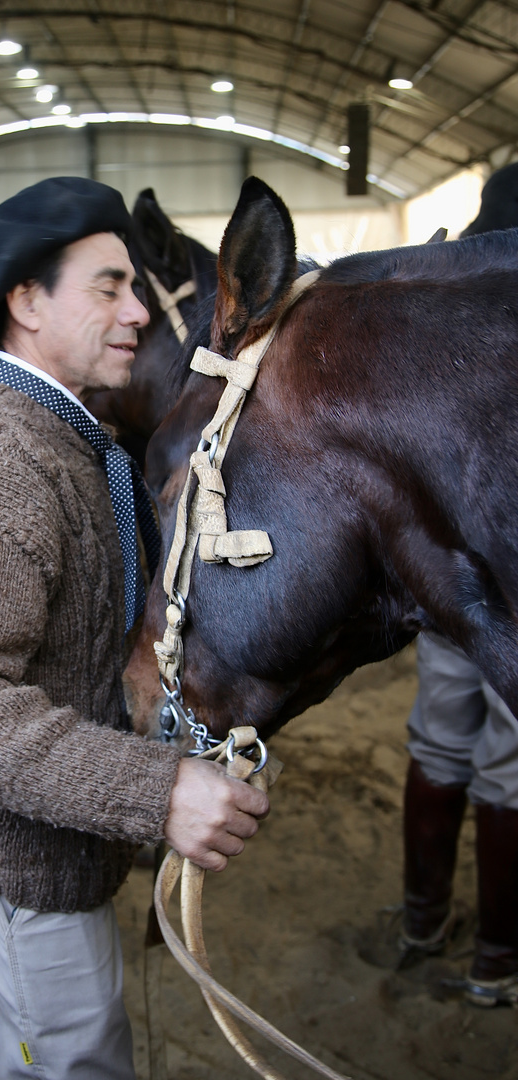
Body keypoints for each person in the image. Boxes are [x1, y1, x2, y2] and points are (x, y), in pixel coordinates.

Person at [0, 175, 269, 1080]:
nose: (140, 310)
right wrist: (156, 791)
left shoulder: (64, 435)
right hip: (9, 874)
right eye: (109, 286)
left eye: (135, 286)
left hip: (39, 845)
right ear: (24, 299)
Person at [368, 162, 518, 1007]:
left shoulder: (443, 327)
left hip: (446, 578)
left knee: (438, 741)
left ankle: (421, 922)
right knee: (510, 768)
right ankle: (498, 959)